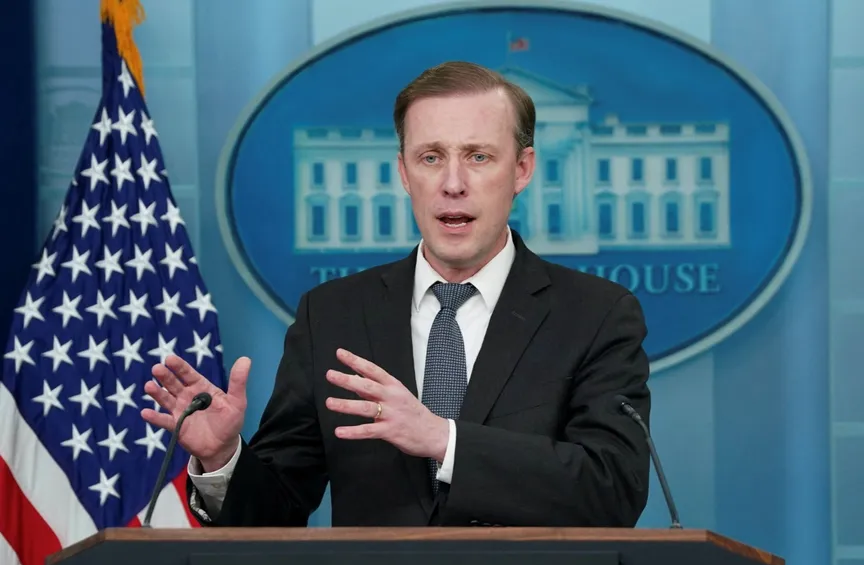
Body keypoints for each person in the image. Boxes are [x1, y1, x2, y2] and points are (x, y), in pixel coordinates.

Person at [141, 61, 652, 528]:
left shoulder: (596, 315)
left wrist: (444, 441)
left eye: (478, 156)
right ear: (405, 172)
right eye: (431, 157)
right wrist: (223, 458)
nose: (453, 183)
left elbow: (614, 489)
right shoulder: (333, 315)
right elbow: (274, 514)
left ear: (521, 169)